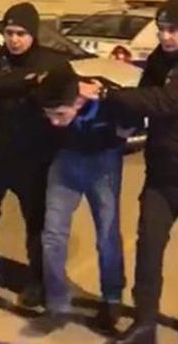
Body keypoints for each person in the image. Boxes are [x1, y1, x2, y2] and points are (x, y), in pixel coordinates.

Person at [81, 0, 178, 344]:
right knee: (148, 248)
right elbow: (141, 101)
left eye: (173, 30)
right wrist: (117, 123)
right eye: (162, 29)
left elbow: (164, 101)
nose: (166, 36)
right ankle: (145, 324)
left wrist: (108, 94)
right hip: (162, 177)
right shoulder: (158, 60)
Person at [0, 2, 73, 307]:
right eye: (9, 33)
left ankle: (37, 282)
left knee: (36, 223)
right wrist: (33, 80)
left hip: (34, 158)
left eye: (21, 33)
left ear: (33, 33)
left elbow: (65, 92)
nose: (14, 40)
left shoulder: (54, 62)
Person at [27, 70, 130, 335]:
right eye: (49, 115)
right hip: (66, 161)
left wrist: (120, 126)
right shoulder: (55, 90)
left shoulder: (106, 98)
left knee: (107, 234)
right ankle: (57, 303)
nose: (55, 122)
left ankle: (112, 299)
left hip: (104, 164)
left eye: (60, 115)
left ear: (78, 101)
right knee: (52, 235)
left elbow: (136, 115)